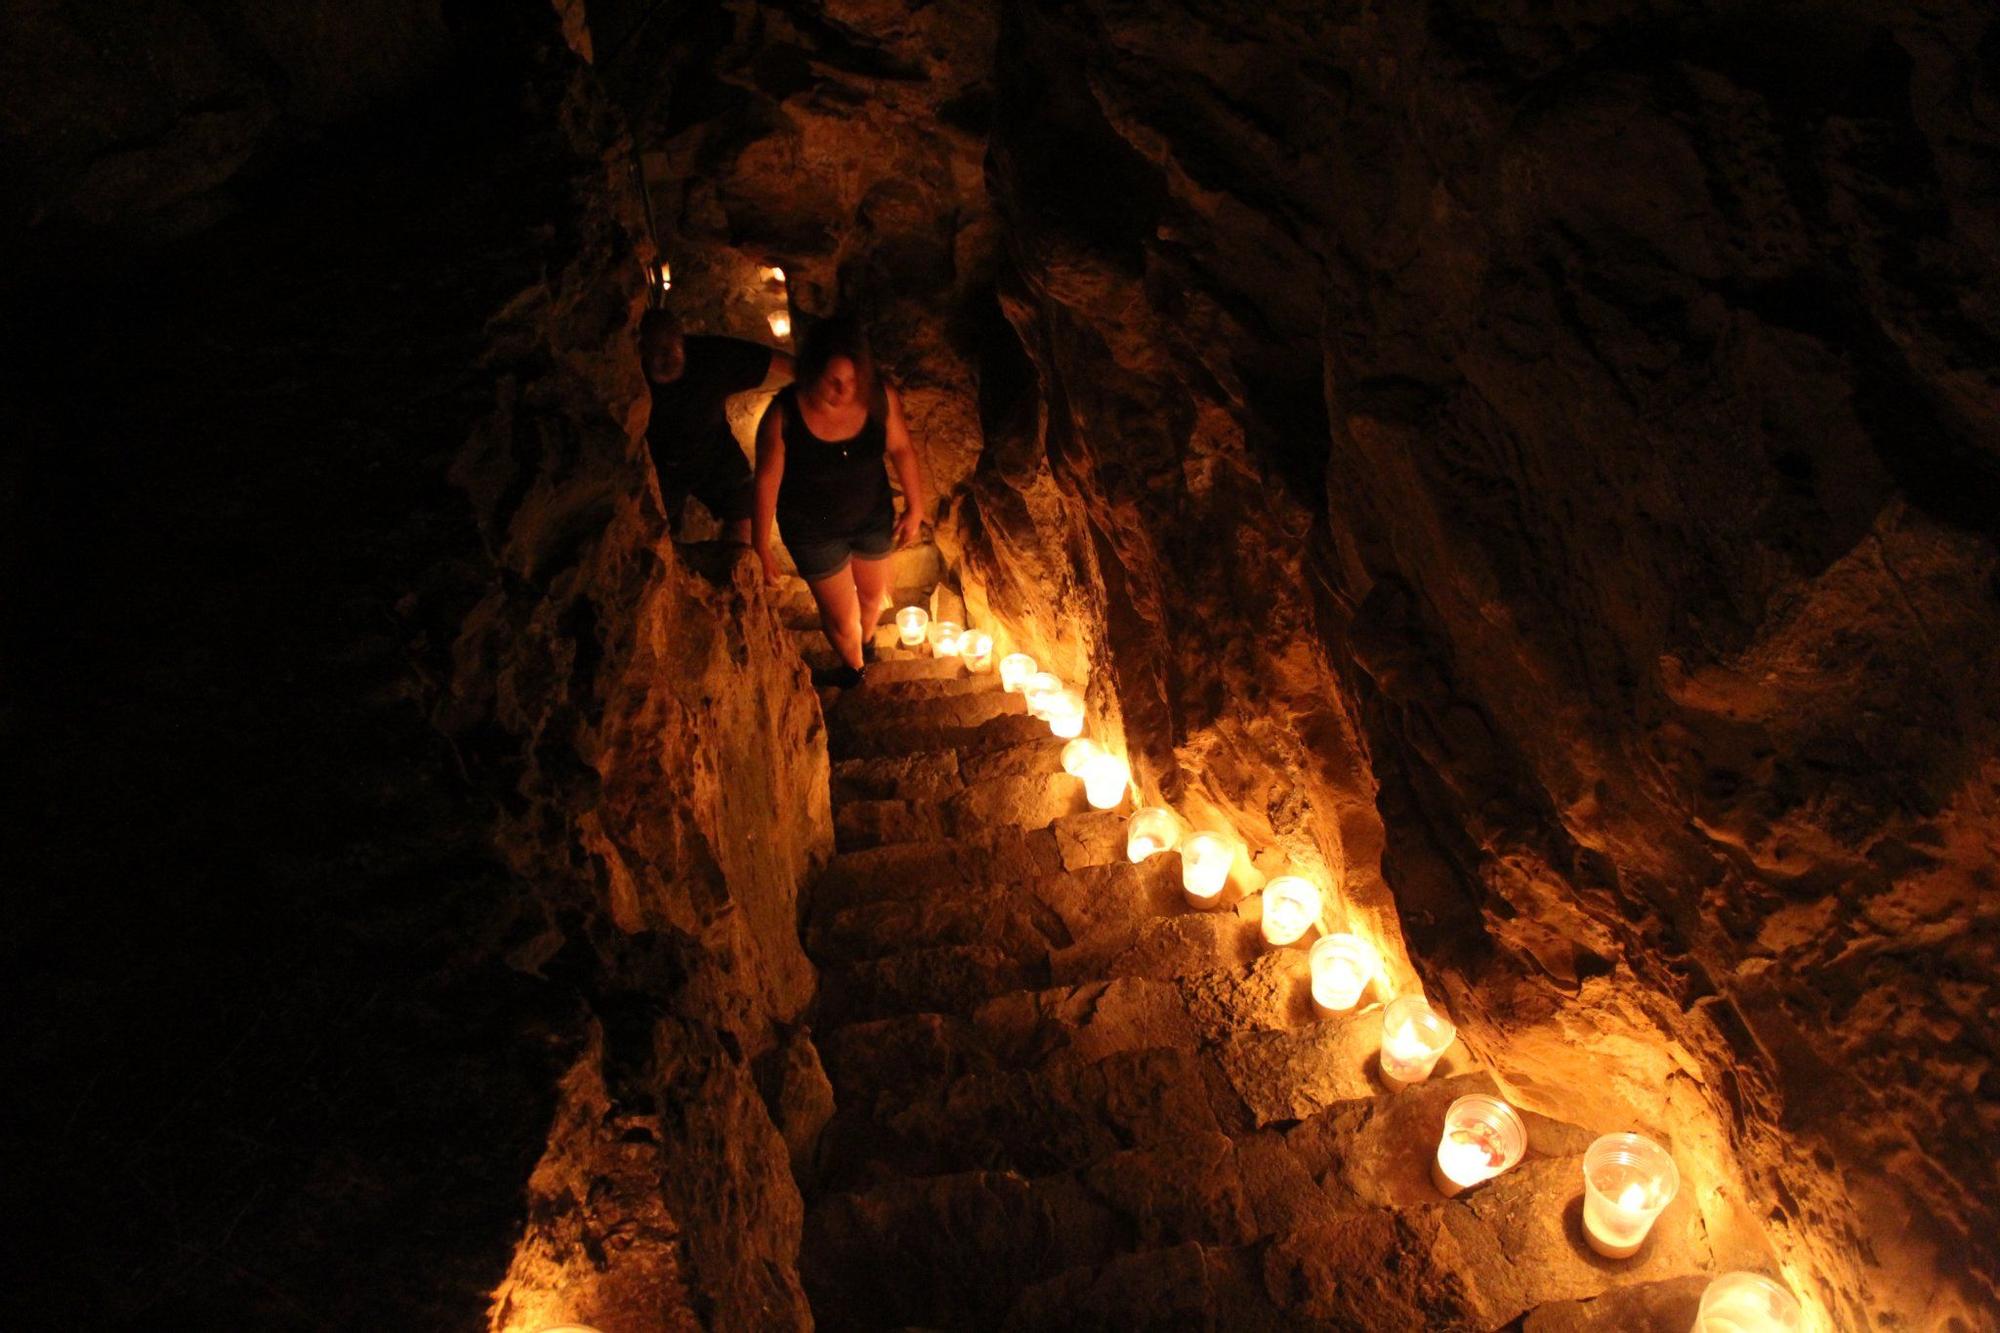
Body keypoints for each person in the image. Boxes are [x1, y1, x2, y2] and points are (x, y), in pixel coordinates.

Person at [753, 316, 927, 687]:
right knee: (841, 619)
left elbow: (901, 449)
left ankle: (867, 646)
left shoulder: (879, 397)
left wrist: (916, 507)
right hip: (814, 530)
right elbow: (767, 478)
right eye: (832, 380)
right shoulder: (783, 415)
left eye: (851, 380)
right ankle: (854, 670)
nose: (843, 390)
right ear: (811, 372)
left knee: (872, 597)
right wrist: (761, 546)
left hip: (871, 518)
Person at [641, 308, 793, 543]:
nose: (665, 359)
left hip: (712, 452)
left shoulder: (709, 358)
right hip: (660, 465)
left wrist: (814, 381)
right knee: (656, 529)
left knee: (746, 507)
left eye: (670, 349)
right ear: (642, 352)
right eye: (656, 352)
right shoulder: (634, 380)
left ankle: (735, 565)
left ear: (682, 341)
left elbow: (771, 359)